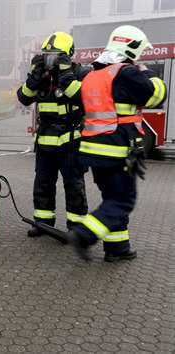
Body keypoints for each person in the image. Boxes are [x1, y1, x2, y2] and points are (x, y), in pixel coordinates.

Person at [68, 25, 166, 262]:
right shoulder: (126, 73)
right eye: (139, 52)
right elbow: (156, 96)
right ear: (131, 48)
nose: (140, 57)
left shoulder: (92, 76)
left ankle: (117, 248)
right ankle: (84, 234)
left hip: (93, 151)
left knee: (111, 198)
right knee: (123, 200)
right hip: (117, 149)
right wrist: (148, 72)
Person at [17, 32, 91, 237]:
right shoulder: (43, 76)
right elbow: (23, 98)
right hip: (46, 141)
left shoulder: (81, 73)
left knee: (74, 185)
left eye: (57, 56)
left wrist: (66, 75)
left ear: (69, 56)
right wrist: (33, 79)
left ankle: (76, 228)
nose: (51, 61)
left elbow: (84, 99)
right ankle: (43, 223)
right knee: (43, 183)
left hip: (71, 142)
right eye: (47, 56)